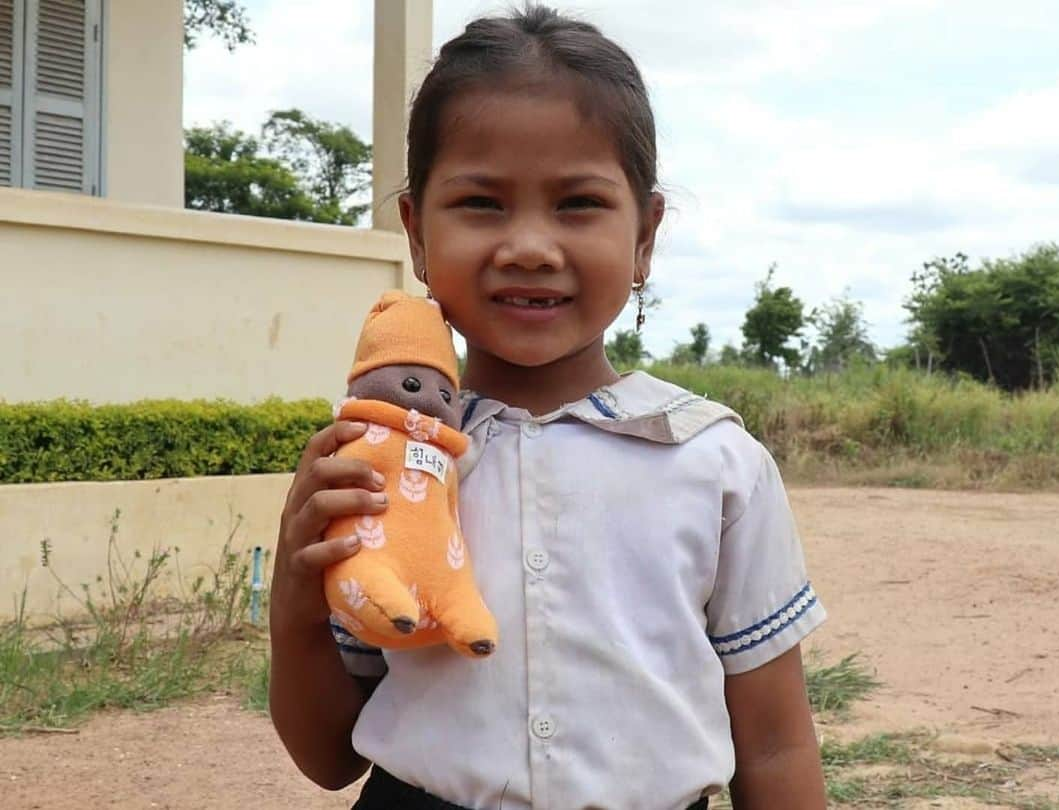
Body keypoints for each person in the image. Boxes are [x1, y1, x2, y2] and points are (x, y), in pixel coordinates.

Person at [269, 5, 828, 809]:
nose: (530, 244)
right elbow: (328, 758)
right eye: (482, 203)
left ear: (645, 238)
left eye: (578, 204)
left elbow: (774, 744)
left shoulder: (713, 463)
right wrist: (296, 597)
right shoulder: (380, 463)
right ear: (416, 233)